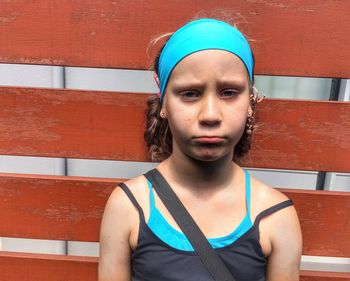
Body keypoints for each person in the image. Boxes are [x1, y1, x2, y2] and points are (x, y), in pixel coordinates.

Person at [99, 18, 302, 281]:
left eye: (229, 93)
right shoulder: (128, 206)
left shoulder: (277, 216)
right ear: (163, 103)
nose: (209, 115)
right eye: (190, 94)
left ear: (250, 101)